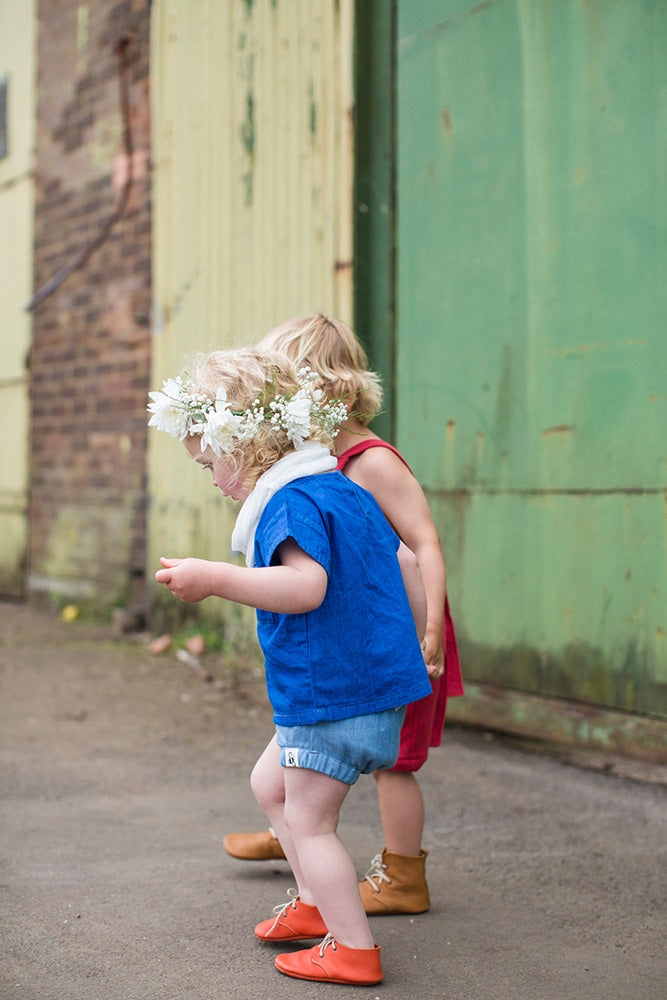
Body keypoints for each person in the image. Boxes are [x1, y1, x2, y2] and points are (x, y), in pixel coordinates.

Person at [148, 346, 433, 986]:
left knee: (310, 823)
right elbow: (406, 565)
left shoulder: (289, 502)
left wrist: (216, 578)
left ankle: (353, 947)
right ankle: (312, 904)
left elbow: (305, 588)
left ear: (245, 445)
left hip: (329, 691)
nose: (215, 481)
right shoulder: (341, 487)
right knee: (269, 785)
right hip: (369, 689)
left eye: (210, 463)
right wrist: (410, 652)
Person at [222, 314, 464, 915]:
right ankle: (295, 830)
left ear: (337, 391)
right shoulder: (314, 467)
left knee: (395, 760)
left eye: (288, 390)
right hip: (363, 630)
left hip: (403, 630)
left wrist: (429, 630)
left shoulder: (368, 461)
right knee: (320, 740)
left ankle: (403, 874)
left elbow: (421, 547)